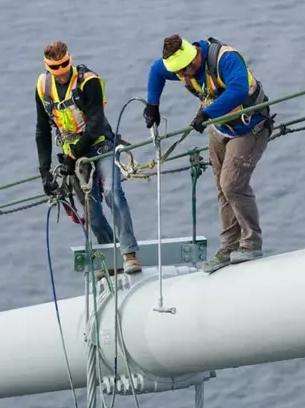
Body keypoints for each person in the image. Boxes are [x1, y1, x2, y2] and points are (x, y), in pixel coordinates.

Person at [144, 35, 272, 273]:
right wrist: (153, 104)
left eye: (185, 70)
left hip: (248, 127)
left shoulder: (226, 59)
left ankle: (251, 243)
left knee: (232, 185)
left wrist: (207, 112)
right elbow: (156, 70)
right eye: (179, 73)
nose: (183, 76)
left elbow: (238, 89)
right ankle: (229, 247)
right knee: (222, 190)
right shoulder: (183, 67)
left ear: (194, 58)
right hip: (220, 129)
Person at [36, 41, 142, 275]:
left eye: (65, 65)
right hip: (71, 156)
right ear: (48, 68)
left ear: (70, 60)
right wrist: (44, 171)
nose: (62, 72)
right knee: (91, 213)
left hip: (99, 146)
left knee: (113, 193)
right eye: (56, 68)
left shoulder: (88, 81)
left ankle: (129, 253)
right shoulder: (43, 87)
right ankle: (110, 256)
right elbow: (42, 130)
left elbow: (94, 125)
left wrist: (72, 157)